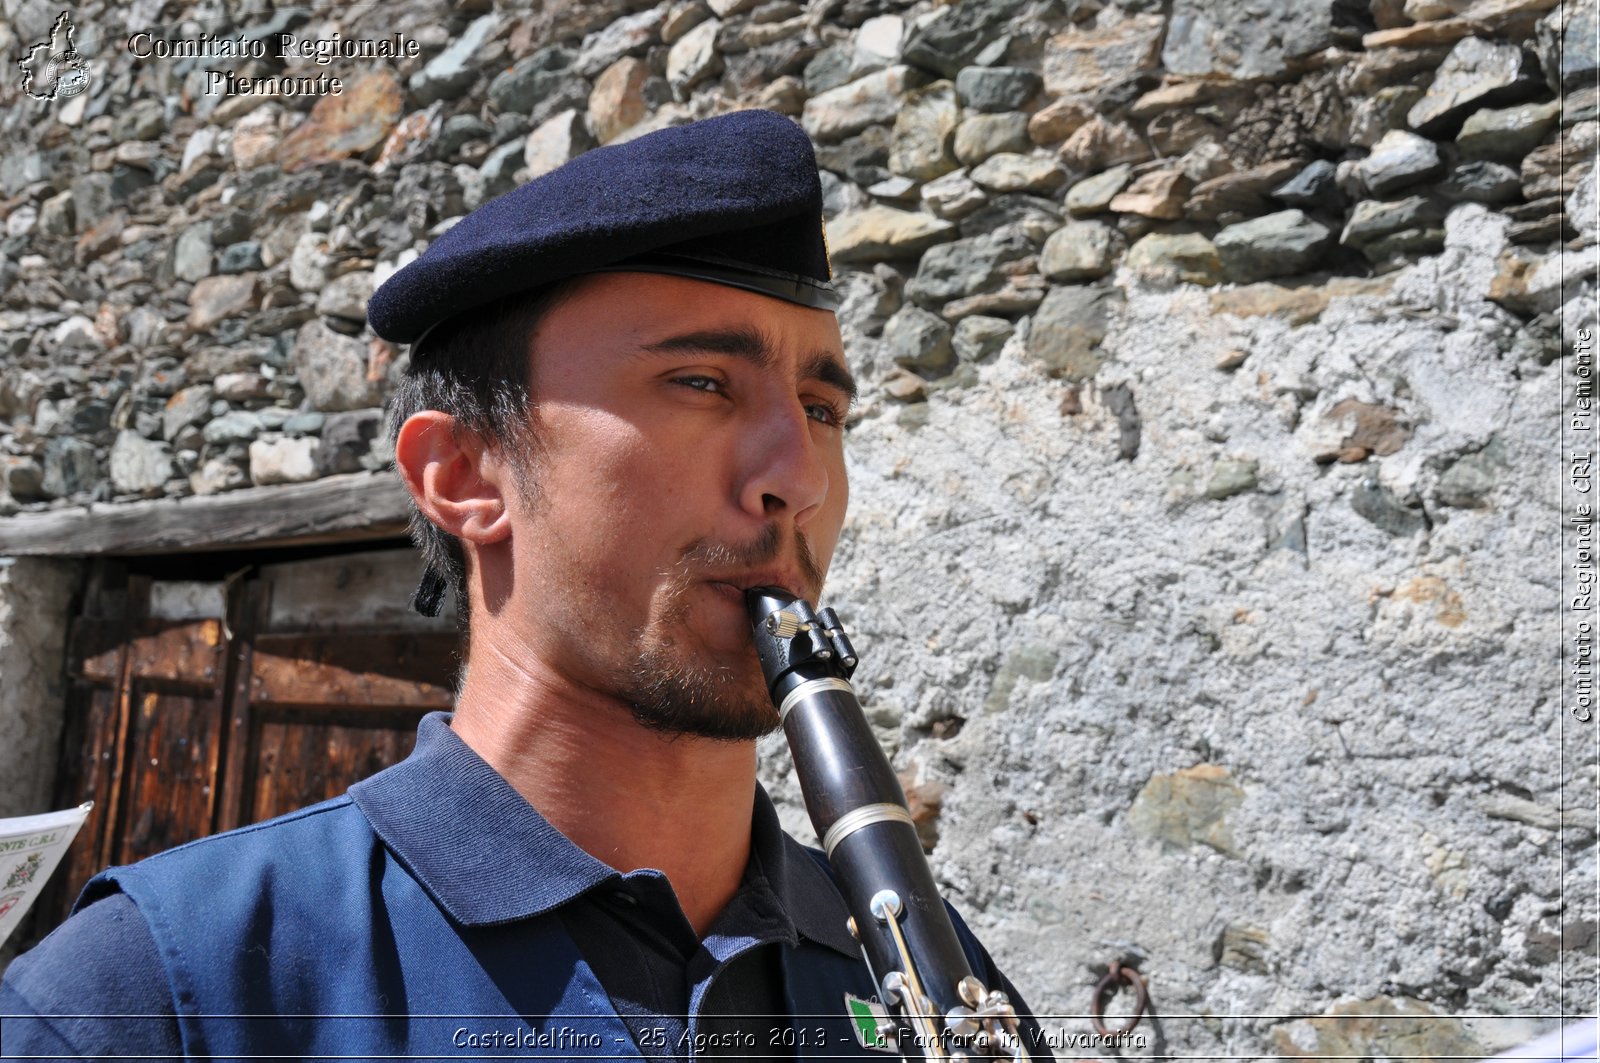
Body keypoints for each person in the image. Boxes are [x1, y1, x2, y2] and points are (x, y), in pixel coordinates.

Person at [1, 109, 1048, 1060]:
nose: (799, 478)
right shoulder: (156, 991)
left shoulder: (930, 966)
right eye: (701, 383)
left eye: (822, 408)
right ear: (464, 476)